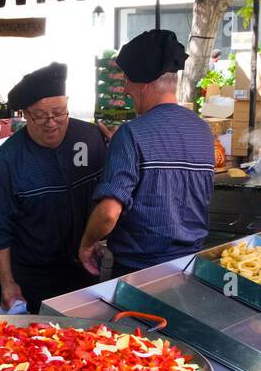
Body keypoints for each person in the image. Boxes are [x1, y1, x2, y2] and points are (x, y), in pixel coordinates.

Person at [79, 30, 216, 277]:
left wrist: (87, 243)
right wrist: (122, 150)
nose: (125, 89)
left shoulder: (131, 134)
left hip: (139, 273)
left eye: (127, 81)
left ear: (143, 84)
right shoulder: (202, 130)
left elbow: (109, 212)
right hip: (191, 267)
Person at [0, 62, 108, 313]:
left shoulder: (90, 137)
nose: (52, 123)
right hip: (35, 278)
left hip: (86, 267)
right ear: (25, 114)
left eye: (59, 113)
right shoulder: (4, 164)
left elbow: (107, 191)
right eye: (40, 116)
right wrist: (7, 284)